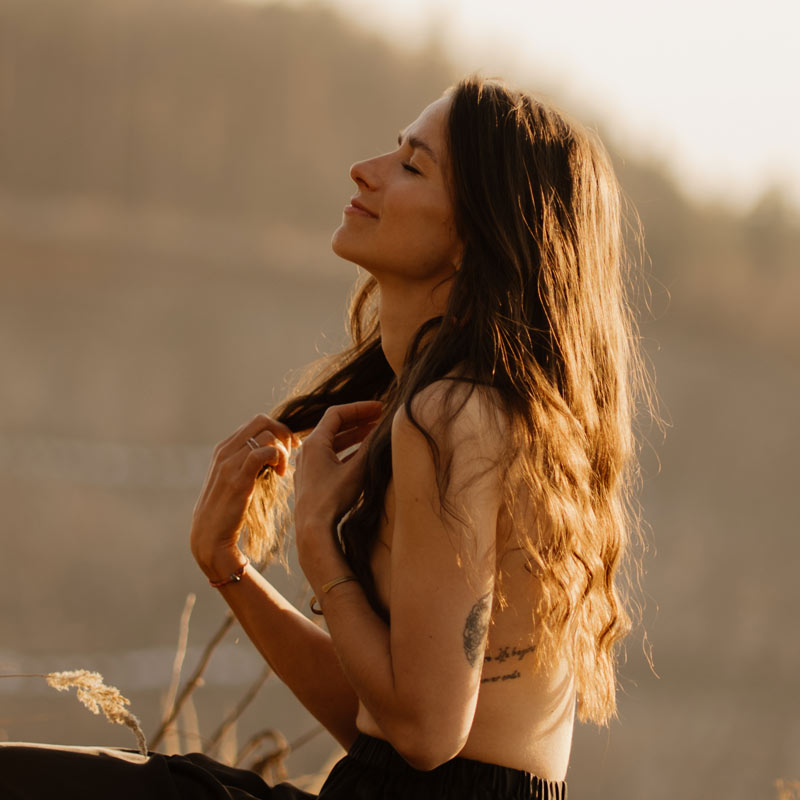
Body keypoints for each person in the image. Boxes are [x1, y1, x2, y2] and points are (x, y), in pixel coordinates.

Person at [0, 76, 647, 799]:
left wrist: (315, 537)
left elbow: (428, 738)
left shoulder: (451, 417)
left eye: (411, 165)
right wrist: (228, 568)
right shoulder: (470, 411)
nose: (364, 169)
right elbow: (385, 729)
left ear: (478, 237)